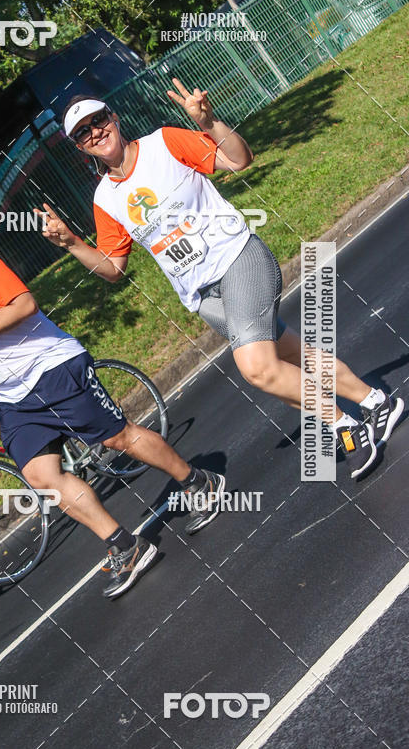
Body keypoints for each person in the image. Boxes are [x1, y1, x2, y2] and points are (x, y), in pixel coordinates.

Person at [35, 80, 404, 479]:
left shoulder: (164, 144)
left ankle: (345, 426)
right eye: (83, 132)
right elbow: (112, 268)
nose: (96, 132)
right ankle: (376, 402)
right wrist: (72, 243)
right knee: (288, 358)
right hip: (203, 297)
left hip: (237, 259)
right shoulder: (105, 199)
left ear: (114, 118)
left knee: (257, 368)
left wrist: (209, 123)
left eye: (99, 120)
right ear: (80, 147)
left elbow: (239, 159)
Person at [0, 208, 227, 599]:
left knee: (118, 439)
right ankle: (127, 546)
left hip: (53, 369)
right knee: (44, 478)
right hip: (15, 398)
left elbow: (24, 304)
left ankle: (199, 481)